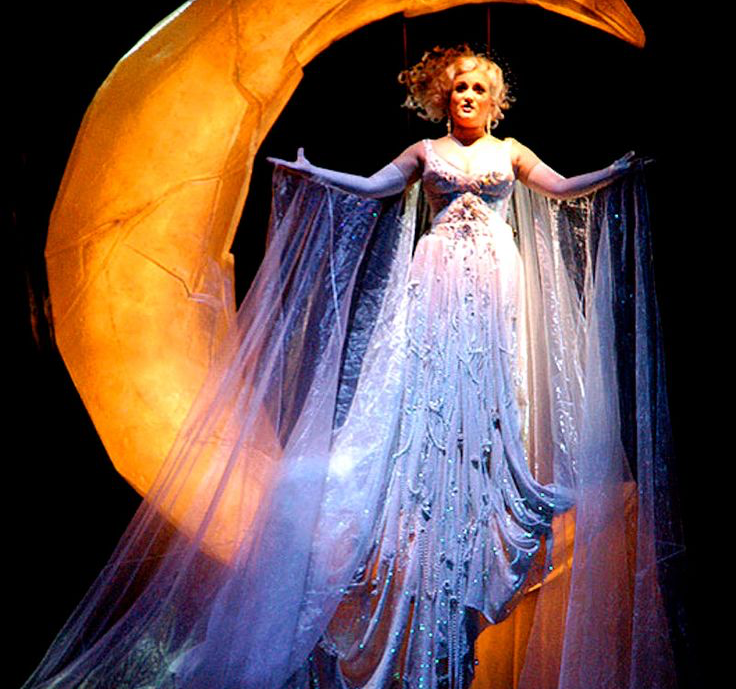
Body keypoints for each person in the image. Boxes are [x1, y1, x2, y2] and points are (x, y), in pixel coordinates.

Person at [23, 46, 678, 689]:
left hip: (494, 279)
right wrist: (315, 174)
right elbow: (374, 186)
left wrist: (613, 171)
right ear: (444, 99)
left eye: (478, 89)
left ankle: (480, 487)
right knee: (429, 389)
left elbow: (561, 187)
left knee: (490, 387)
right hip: (437, 276)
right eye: (459, 88)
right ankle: (421, 501)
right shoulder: (426, 153)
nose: (468, 97)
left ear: (495, 100)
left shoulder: (509, 153)